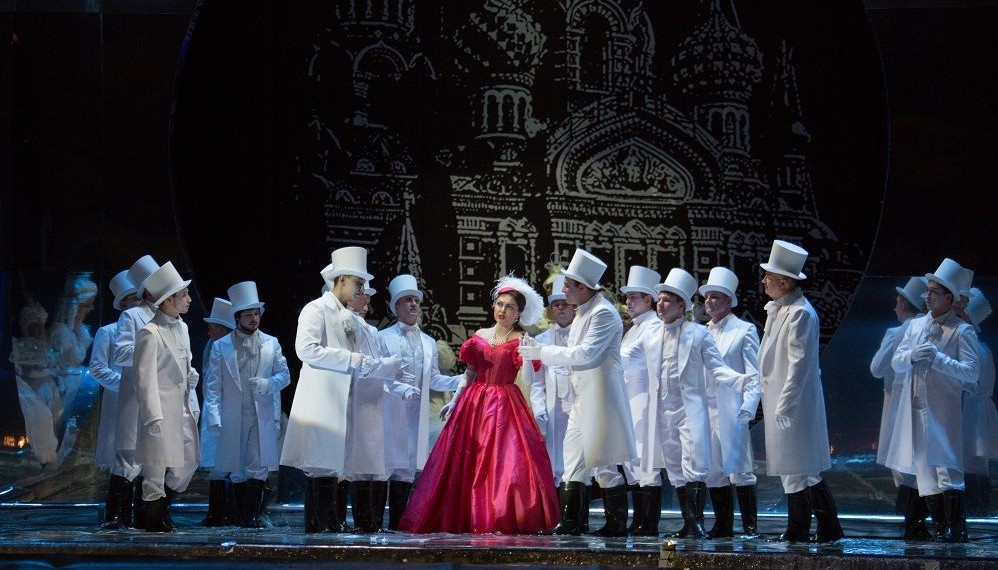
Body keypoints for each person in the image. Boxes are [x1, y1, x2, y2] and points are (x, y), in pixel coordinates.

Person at [399, 275, 559, 534]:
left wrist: (529, 356)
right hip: (474, 403)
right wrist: (455, 401)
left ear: (518, 314)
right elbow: (470, 371)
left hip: (505, 402)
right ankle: (466, 514)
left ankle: (498, 515)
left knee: (504, 460)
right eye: (500, 304)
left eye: (509, 307)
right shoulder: (480, 336)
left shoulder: (521, 339)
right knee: (466, 459)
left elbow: (530, 379)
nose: (502, 310)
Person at [280, 247, 408, 533]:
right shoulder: (316, 309)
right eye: (358, 283)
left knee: (336, 464)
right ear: (341, 280)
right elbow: (306, 349)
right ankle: (321, 525)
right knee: (321, 461)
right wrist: (352, 360)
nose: (362, 290)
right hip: (323, 398)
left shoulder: (351, 318)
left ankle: (330, 523)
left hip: (346, 399)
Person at [519, 249, 636, 537]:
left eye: (568, 286)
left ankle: (616, 525)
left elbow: (585, 354)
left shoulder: (603, 313)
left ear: (583, 287)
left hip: (601, 399)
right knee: (572, 460)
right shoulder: (584, 312)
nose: (564, 291)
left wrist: (541, 352)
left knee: (604, 464)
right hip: (581, 399)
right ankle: (570, 522)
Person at [642, 268, 748, 540]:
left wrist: (741, 381)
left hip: (689, 411)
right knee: (674, 467)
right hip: (661, 411)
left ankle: (696, 524)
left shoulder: (698, 334)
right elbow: (633, 364)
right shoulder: (650, 335)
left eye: (667, 300)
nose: (660, 305)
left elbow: (717, 367)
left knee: (693, 465)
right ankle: (687, 521)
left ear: (681, 305)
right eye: (659, 300)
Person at [758, 240, 843, 543]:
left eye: (769, 276)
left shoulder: (800, 314)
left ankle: (816, 527)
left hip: (793, 404)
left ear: (784, 282)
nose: (764, 280)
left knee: (801, 466)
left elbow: (799, 365)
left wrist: (786, 404)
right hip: (779, 400)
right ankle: (806, 528)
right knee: (794, 467)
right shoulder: (780, 310)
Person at [888, 258, 978, 542]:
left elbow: (971, 372)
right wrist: (911, 356)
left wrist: (939, 360)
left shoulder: (962, 330)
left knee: (947, 466)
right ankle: (941, 526)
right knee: (925, 471)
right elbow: (896, 362)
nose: (926, 297)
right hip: (916, 406)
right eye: (927, 291)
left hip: (943, 408)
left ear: (949, 298)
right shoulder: (915, 327)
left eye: (934, 292)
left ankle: (955, 527)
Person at [377, 274, 464, 531]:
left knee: (406, 468)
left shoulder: (428, 342)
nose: (413, 304)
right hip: (390, 410)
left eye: (416, 300)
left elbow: (434, 378)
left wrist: (461, 380)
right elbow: (378, 375)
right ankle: (374, 523)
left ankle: (398, 524)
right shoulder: (382, 337)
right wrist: (399, 389)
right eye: (407, 300)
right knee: (384, 465)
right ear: (396, 307)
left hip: (416, 414)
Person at [203, 282, 291, 528]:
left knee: (258, 464)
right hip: (233, 413)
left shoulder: (271, 343)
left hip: (261, 413)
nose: (254, 319)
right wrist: (214, 417)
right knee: (236, 466)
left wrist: (267, 383)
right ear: (237, 317)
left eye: (256, 313)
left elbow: (285, 376)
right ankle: (240, 516)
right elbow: (213, 386)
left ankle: (252, 516)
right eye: (248, 314)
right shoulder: (221, 346)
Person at [134, 261, 201, 532]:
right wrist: (152, 416)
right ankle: (153, 519)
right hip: (161, 410)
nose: (189, 299)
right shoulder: (150, 332)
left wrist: (190, 376)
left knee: (188, 463)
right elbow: (144, 379)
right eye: (183, 294)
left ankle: (161, 509)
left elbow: (183, 362)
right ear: (169, 299)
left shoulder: (182, 327)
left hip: (182, 407)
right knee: (155, 468)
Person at [698, 267, 761, 538]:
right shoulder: (701, 332)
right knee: (713, 471)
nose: (709, 301)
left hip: (732, 407)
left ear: (728, 301)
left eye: (715, 297)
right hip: (706, 408)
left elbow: (754, 372)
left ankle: (749, 527)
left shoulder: (744, 330)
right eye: (707, 297)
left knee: (741, 469)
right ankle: (723, 525)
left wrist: (749, 405)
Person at [869, 276, 927, 538]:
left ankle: (910, 520)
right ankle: (915, 520)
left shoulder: (897, 333)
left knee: (901, 463)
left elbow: (877, 368)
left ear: (904, 304)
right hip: (923, 401)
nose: (895, 307)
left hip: (897, 402)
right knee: (919, 461)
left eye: (897, 302)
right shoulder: (929, 328)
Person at [111, 254, 161, 528]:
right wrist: (151, 352)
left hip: (160, 395)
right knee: (128, 456)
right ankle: (116, 517)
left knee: (153, 457)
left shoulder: (168, 317)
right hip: (136, 395)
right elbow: (120, 353)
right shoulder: (132, 315)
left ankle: (144, 517)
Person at [616, 265, 664, 536]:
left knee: (646, 462)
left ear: (648, 299)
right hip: (629, 399)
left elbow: (649, 365)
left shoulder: (653, 327)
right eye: (628, 297)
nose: (628, 301)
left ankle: (649, 523)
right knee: (632, 462)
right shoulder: (634, 328)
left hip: (644, 401)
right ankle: (639, 520)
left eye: (634, 297)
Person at [92, 270, 142, 529]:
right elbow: (98, 368)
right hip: (119, 402)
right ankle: (114, 516)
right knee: (122, 457)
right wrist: (124, 386)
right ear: (123, 303)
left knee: (140, 459)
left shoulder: (148, 331)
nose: (140, 303)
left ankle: (131, 516)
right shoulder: (108, 332)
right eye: (134, 298)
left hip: (143, 402)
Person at [524, 274, 577, 487]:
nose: (561, 308)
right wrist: (539, 407)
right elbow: (537, 381)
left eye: (565, 304)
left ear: (574, 306)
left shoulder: (584, 336)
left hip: (579, 402)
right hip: (554, 405)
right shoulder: (541, 340)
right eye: (556, 305)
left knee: (580, 455)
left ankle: (580, 501)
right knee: (556, 455)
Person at [10, 301, 62, 469]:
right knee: (39, 418)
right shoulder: (23, 345)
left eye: (40, 326)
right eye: (34, 326)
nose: (39, 330)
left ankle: (48, 455)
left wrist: (54, 372)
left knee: (53, 418)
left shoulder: (44, 345)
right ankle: (37, 455)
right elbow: (28, 371)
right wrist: (50, 372)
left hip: (48, 387)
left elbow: (53, 362)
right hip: (34, 388)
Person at [198, 297, 236, 526]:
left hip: (228, 409)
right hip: (214, 408)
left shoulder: (229, 347)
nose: (209, 331)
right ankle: (217, 513)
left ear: (222, 328)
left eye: (212, 327)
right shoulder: (212, 345)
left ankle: (227, 513)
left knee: (229, 463)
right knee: (217, 464)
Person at [960, 288, 997, 516]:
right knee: (977, 463)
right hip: (978, 410)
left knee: (971, 462)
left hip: (973, 412)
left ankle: (974, 510)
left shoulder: (973, 347)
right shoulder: (982, 347)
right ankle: (978, 509)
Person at [49, 273, 98, 431]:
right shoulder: (61, 331)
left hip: (76, 384)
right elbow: (69, 358)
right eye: (87, 305)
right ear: (76, 306)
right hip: (61, 386)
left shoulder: (82, 331)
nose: (91, 309)